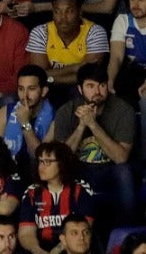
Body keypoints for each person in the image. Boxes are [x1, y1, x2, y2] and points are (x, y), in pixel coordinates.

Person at [51, 62, 137, 221]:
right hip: (78, 169)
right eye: (90, 86)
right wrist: (81, 125)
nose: (97, 92)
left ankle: (129, 230)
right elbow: (61, 157)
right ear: (79, 89)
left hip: (110, 170)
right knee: (56, 171)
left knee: (125, 172)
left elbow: (121, 158)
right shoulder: (66, 111)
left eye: (102, 85)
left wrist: (92, 124)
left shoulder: (124, 110)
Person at [18, 141, 95, 254]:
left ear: (62, 164)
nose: (41, 167)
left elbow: (84, 229)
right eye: (40, 161)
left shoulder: (80, 190)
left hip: (72, 248)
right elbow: (26, 233)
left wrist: (58, 250)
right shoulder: (32, 192)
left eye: (47, 162)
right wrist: (36, 250)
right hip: (41, 248)